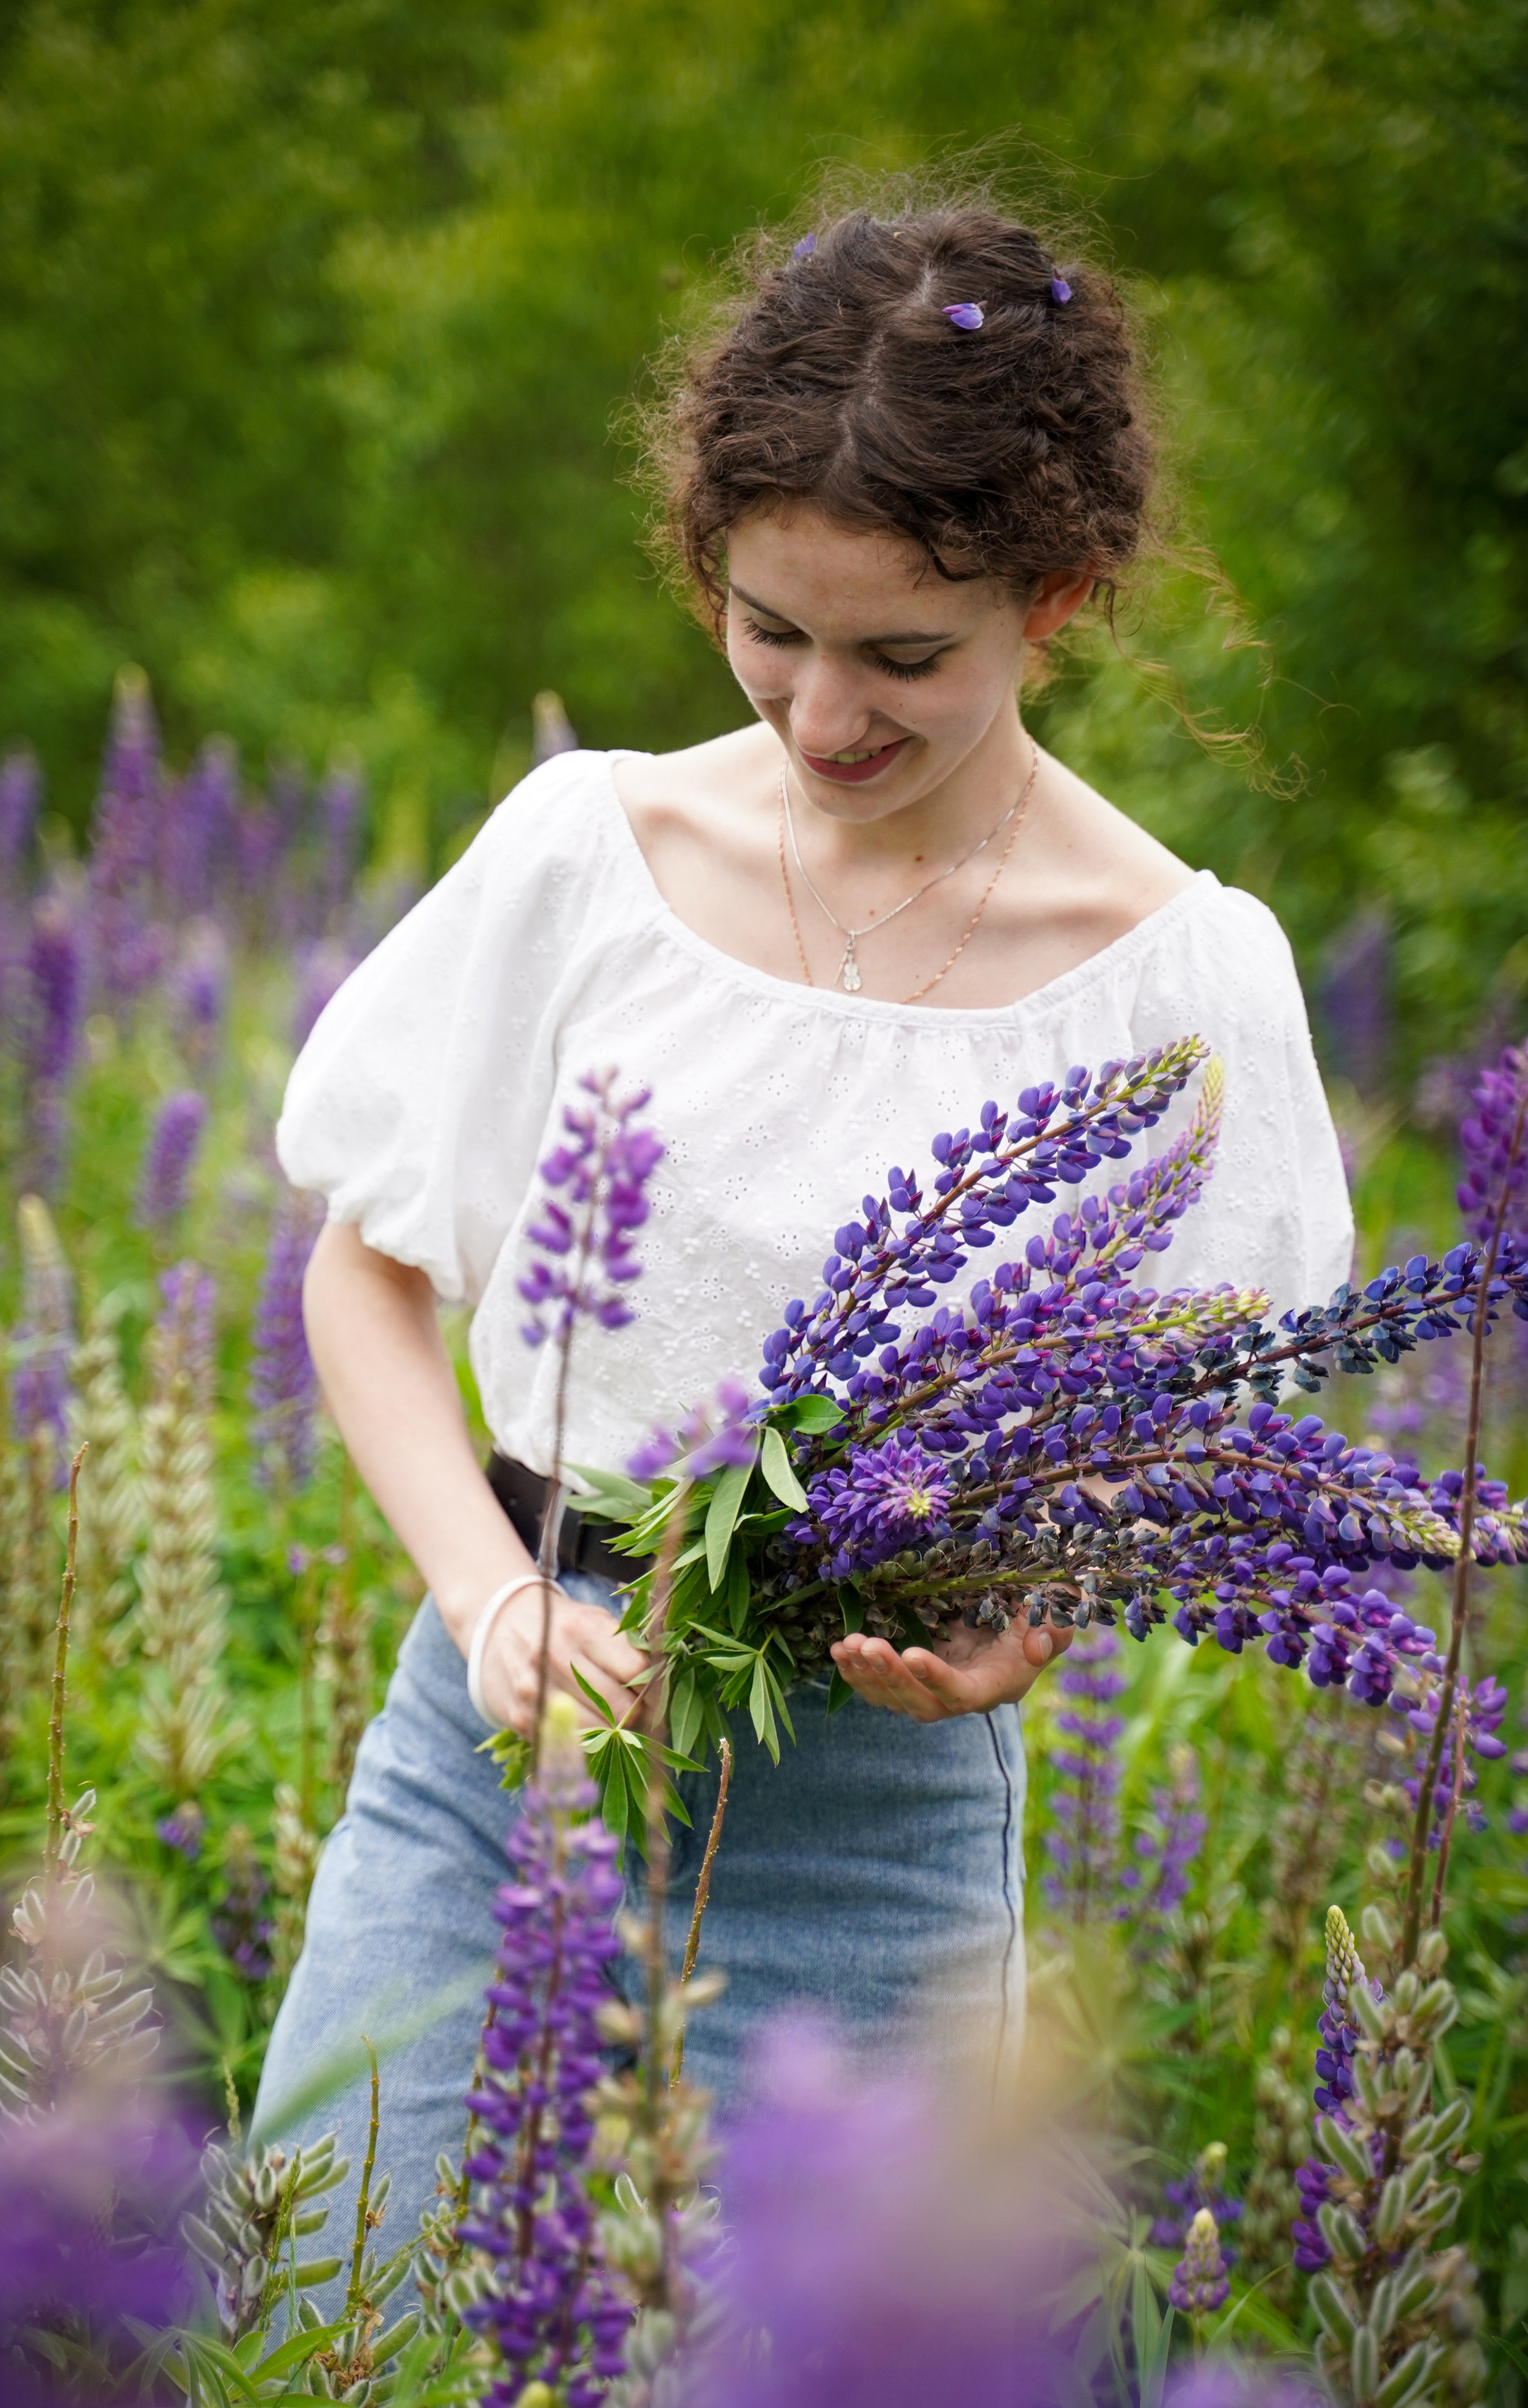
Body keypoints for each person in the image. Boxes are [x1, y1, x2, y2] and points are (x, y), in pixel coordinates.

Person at [251, 194, 1352, 2249]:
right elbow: (367, 1273)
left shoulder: (1182, 982)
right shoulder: (592, 850)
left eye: (902, 656)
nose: (822, 713)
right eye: (770, 631)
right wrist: (489, 1602)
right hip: (498, 1755)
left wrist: (1039, 1609)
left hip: (874, 1823)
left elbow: (1184, 1438)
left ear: (1057, 594)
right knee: (323, 2354)